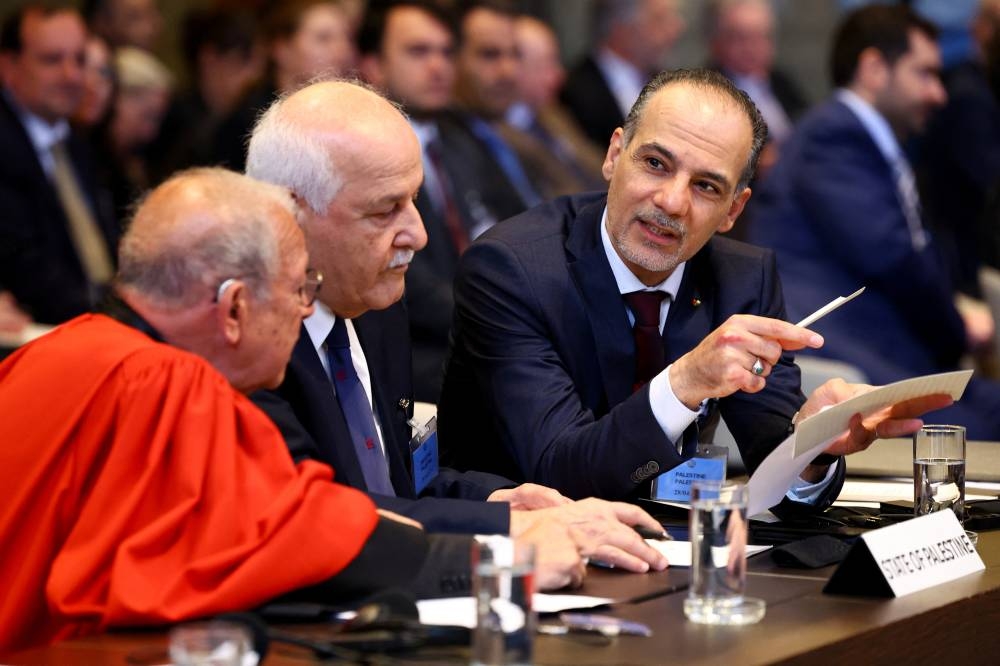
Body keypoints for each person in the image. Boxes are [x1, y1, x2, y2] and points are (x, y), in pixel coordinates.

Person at [0, 166, 587, 655]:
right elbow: (296, 541)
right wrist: (504, 560)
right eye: (298, 289)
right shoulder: (167, 386)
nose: (307, 312)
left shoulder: (50, 352)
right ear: (233, 309)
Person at [439, 68, 951, 502]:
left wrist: (814, 445)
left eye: (706, 186)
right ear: (615, 154)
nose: (672, 202)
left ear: (734, 209)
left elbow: (773, 465)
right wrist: (686, 382)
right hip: (524, 552)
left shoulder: (743, 277)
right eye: (655, 164)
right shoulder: (512, 271)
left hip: (676, 546)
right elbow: (558, 470)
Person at [246, 78, 669, 574]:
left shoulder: (375, 306)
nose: (418, 235)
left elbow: (396, 483)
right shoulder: (248, 345)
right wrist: (507, 536)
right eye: (385, 211)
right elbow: (321, 519)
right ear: (290, 214)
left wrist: (500, 501)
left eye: (415, 201)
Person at [748, 6, 1000, 439]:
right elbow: (896, 259)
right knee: (984, 421)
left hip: (883, 345)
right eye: (924, 74)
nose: (939, 93)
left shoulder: (863, 139)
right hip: (846, 359)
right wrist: (960, 329)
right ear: (874, 68)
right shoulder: (834, 139)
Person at [358, 0, 534, 401]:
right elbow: (408, 283)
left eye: (445, 52)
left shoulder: (458, 138)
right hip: (418, 350)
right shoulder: (363, 155)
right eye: (418, 52)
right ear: (373, 65)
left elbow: (517, 225)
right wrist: (504, 316)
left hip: (487, 329)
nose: (437, 66)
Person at [0, 3, 119, 324]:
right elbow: (23, 263)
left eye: (79, 59)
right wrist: (105, 320)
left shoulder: (79, 142)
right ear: (9, 66)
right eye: (52, 60)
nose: (71, 75)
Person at [918, 0, 1000, 296]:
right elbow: (990, 182)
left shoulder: (978, 85)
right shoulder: (969, 94)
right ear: (981, 30)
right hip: (969, 263)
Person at [560, 0, 685, 148]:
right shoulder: (574, 93)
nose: (677, 28)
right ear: (620, 28)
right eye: (659, 19)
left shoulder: (670, 84)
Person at [704, 0, 808, 177]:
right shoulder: (707, 89)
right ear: (717, 42)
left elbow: (807, 125)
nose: (752, 47)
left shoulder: (780, 80)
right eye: (742, 37)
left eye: (762, 36)